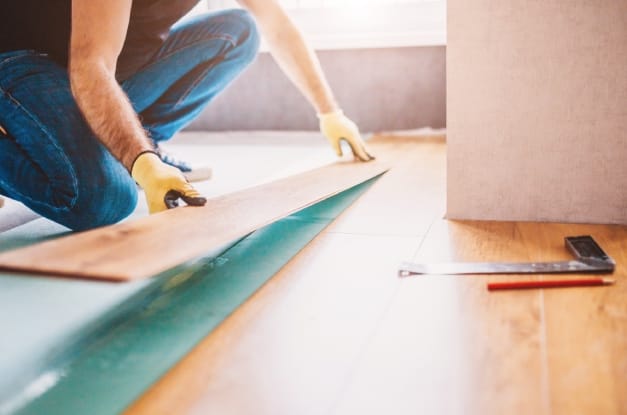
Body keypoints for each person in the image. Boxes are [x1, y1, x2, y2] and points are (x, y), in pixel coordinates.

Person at [0, 0, 374, 231]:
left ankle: (140, 146)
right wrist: (141, 162)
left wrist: (330, 111)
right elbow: (90, 63)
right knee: (103, 198)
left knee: (238, 32)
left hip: (103, 70)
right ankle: (132, 154)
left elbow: (276, 25)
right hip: (25, 59)